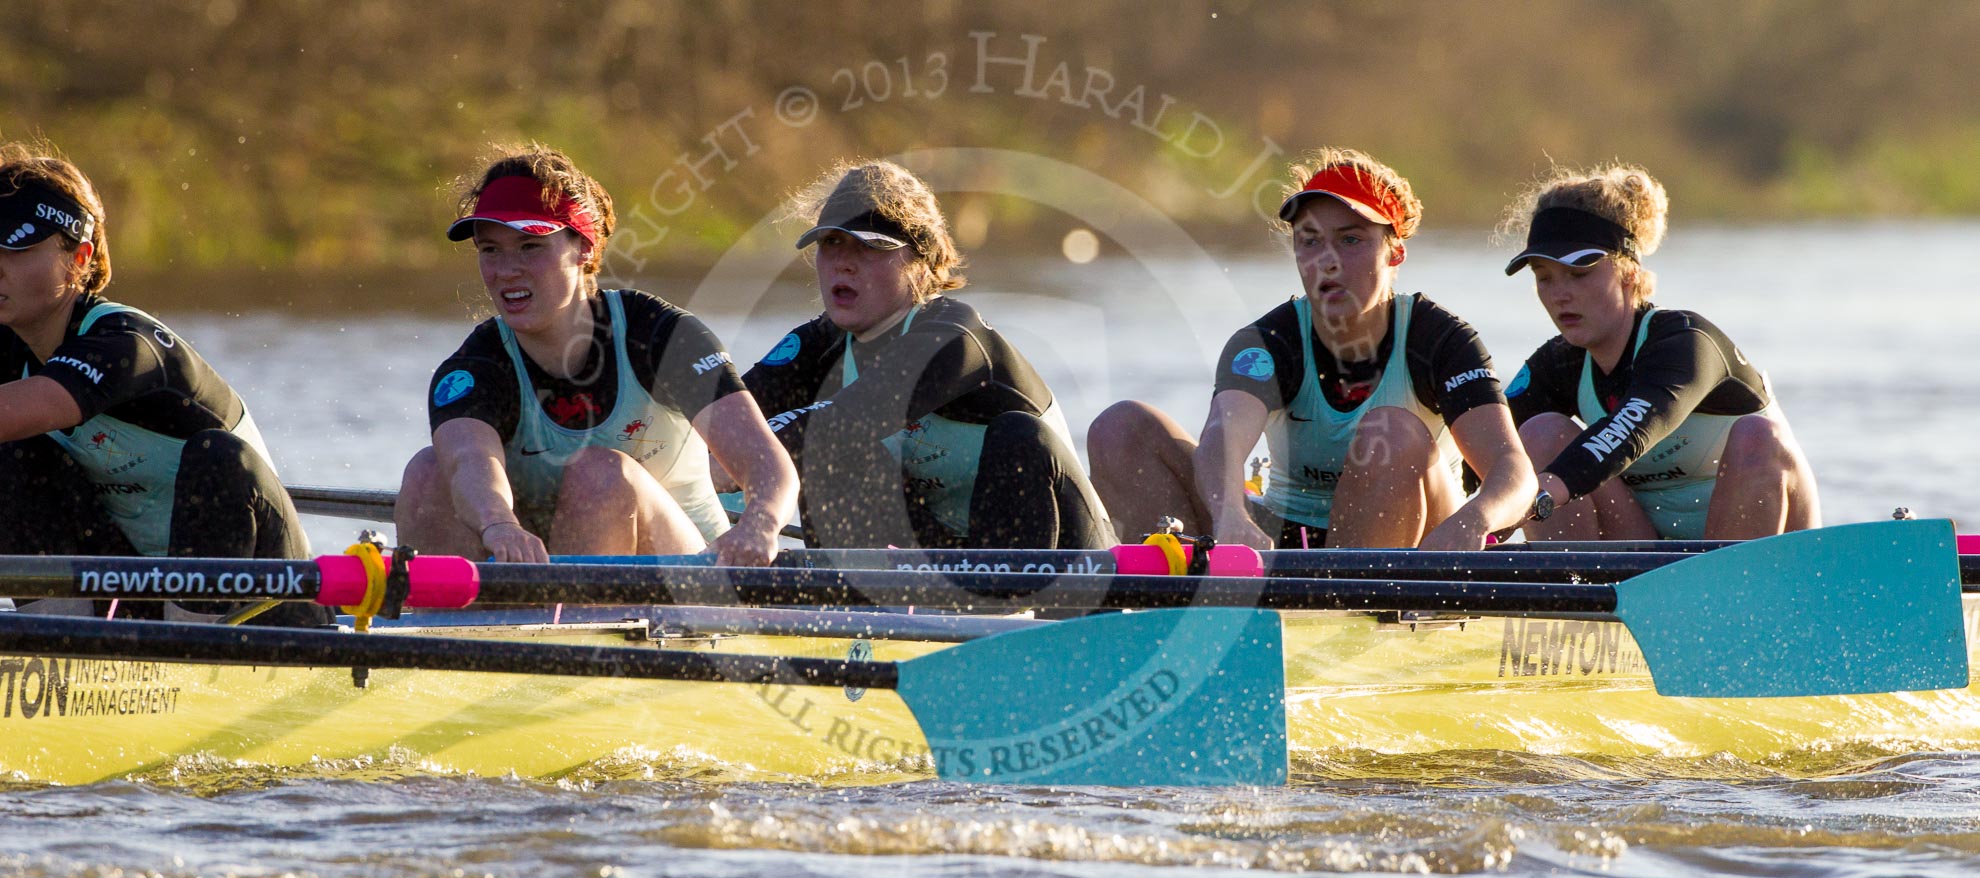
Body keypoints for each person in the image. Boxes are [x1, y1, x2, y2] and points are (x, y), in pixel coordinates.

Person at [0, 136, 323, 625]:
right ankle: (59, 650)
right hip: (139, 595)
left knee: (219, 457)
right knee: (14, 463)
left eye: (15, 247)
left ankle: (189, 660)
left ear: (79, 258)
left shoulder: (126, 344)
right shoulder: (1, 348)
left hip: (265, 606)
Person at [1088, 148, 1535, 550]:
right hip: (1286, 536)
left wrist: (1476, 521)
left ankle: (1353, 613)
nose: (1328, 260)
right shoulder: (1268, 343)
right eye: (1310, 241)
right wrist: (1230, 519)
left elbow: (1515, 471)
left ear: (1394, 252)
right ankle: (1180, 612)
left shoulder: (1441, 341)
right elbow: (1220, 441)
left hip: (1419, 542)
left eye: (1351, 240)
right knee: (1121, 426)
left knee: (1391, 432)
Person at [397, 143, 796, 565]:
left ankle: (564, 620)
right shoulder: (475, 367)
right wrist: (499, 525)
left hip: (694, 573)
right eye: (490, 249)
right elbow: (467, 461)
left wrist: (761, 525)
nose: (505, 269)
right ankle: (450, 627)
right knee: (427, 473)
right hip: (543, 576)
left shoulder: (661, 336)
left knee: (600, 473)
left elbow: (767, 463)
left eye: (529, 246)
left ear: (584, 247)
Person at [737, 160, 1112, 550]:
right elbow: (717, 414)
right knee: (829, 459)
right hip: (946, 567)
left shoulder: (956, 338)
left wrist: (745, 453)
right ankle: (855, 601)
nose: (843, 262)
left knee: (1020, 435)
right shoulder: (818, 346)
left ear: (921, 262)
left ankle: (1006, 605)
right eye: (831, 242)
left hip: (1070, 559)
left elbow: (849, 420)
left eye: (868, 246)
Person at [1500, 163, 1818, 540]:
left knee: (1758, 435)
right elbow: (1476, 469)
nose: (1559, 295)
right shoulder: (1557, 364)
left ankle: (1723, 592)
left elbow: (1630, 429)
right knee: (1538, 435)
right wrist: (1472, 520)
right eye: (1544, 277)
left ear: (1629, 273)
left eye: (1579, 274)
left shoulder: (1687, 344)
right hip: (1645, 553)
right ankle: (1573, 594)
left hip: (1756, 551)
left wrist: (1538, 497)